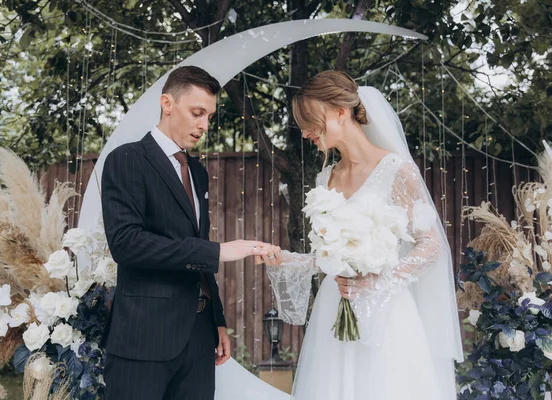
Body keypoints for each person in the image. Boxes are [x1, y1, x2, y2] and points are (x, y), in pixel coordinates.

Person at [261, 71, 463, 399]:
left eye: (310, 119)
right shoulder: (326, 177)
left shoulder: (397, 172)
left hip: (387, 315)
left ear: (341, 111)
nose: (306, 131)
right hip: (334, 310)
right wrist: (286, 259)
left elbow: (429, 246)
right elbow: (328, 256)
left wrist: (378, 281)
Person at [100, 65, 272, 400]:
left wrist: (217, 319)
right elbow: (126, 244)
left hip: (198, 337)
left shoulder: (197, 171)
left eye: (208, 116)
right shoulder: (127, 159)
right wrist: (218, 251)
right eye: (197, 113)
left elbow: (194, 245)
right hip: (143, 337)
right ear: (167, 103)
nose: (204, 125)